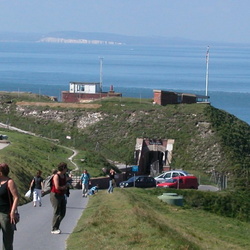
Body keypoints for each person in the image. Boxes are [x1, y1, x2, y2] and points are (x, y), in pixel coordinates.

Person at [0, 163, 19, 250]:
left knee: (7, 240)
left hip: (6, 214)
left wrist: (12, 212)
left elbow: (16, 197)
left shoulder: (9, 182)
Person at [50, 162, 71, 234]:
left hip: (62, 195)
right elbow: (57, 187)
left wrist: (67, 183)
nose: (66, 169)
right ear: (63, 168)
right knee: (57, 211)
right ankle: (54, 228)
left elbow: (64, 182)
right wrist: (65, 186)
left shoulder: (64, 175)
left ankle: (56, 226)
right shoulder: (56, 176)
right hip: (55, 195)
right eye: (66, 168)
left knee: (63, 212)